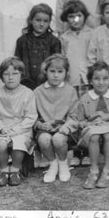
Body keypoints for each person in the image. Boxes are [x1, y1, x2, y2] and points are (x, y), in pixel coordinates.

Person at [0, 57, 38, 187]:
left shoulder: (28, 93)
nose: (10, 77)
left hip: (22, 128)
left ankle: (15, 170)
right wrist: (1, 128)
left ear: (21, 75)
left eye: (15, 74)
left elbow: (31, 116)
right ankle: (3, 171)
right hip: (2, 127)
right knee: (1, 145)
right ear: (1, 77)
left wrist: (16, 130)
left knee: (19, 143)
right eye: (6, 74)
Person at [34, 54, 78, 183]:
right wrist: (39, 125)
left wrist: (66, 126)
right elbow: (31, 115)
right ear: (45, 71)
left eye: (60, 72)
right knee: (44, 138)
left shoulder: (70, 91)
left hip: (64, 129)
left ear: (66, 73)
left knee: (58, 139)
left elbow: (74, 115)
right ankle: (53, 164)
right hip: (45, 128)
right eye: (52, 71)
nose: (56, 75)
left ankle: (63, 164)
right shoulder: (37, 92)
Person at [75, 62, 109, 189]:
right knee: (94, 134)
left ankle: (107, 169)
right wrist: (90, 123)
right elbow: (80, 121)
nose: (101, 82)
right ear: (90, 81)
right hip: (91, 128)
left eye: (105, 79)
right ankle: (93, 170)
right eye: (96, 78)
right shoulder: (85, 98)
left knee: (107, 132)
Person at [15, 3, 61, 89]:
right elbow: (17, 64)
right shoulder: (22, 40)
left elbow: (58, 64)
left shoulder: (54, 41)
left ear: (49, 22)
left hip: (47, 85)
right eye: (38, 20)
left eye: (45, 21)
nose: (42, 24)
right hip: (25, 84)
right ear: (31, 20)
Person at [59, 0, 93, 98]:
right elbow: (63, 58)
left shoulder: (92, 34)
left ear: (84, 16)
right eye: (71, 16)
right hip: (71, 79)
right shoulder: (64, 38)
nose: (75, 19)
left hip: (88, 78)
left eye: (79, 16)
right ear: (66, 18)